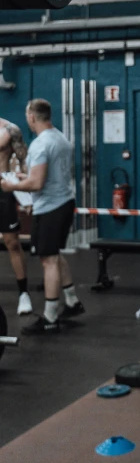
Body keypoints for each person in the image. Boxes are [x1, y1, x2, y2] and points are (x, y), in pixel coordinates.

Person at [0, 99, 84, 334]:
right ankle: (72, 301)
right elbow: (40, 175)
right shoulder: (60, 138)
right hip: (64, 201)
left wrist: (11, 187)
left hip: (51, 207)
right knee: (54, 254)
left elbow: (36, 183)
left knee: (48, 260)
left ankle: (49, 317)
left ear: (32, 117)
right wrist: (23, 176)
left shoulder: (39, 145)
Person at [0, 117, 33, 315]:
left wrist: (28, 195)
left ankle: (23, 293)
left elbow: (24, 161)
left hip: (2, 189)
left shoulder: (10, 129)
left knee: (12, 242)